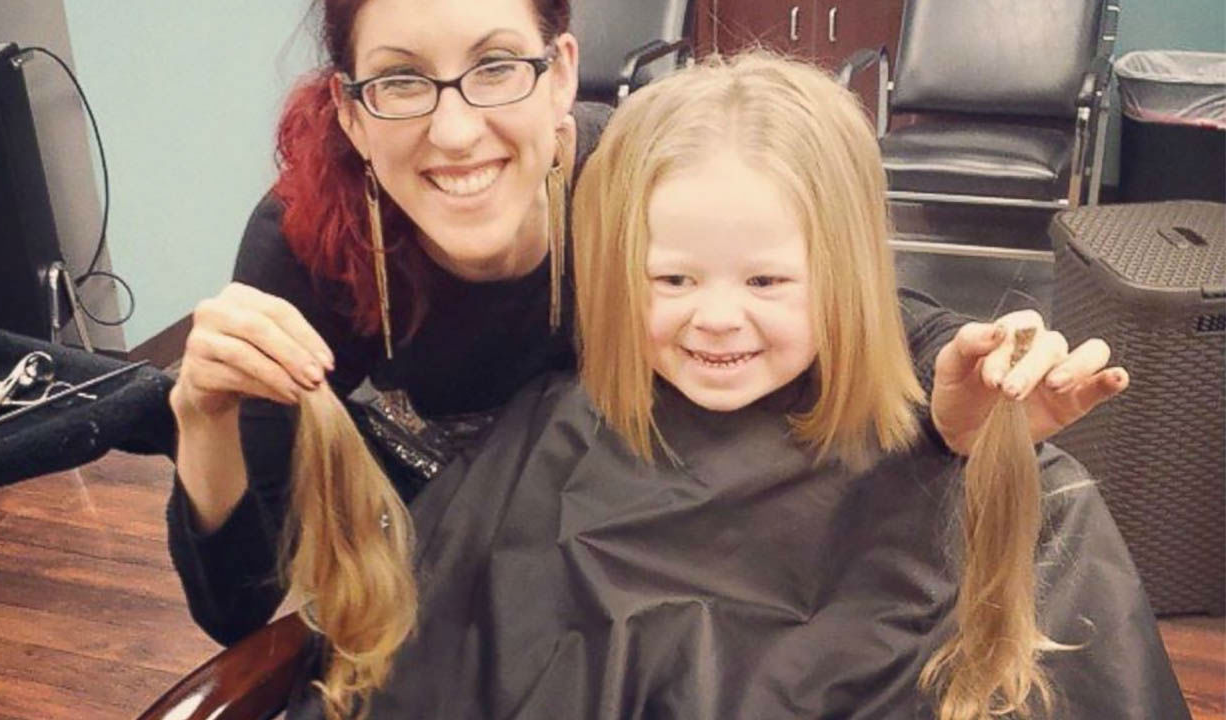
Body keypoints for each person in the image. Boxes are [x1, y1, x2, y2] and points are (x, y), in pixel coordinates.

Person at [166, 0, 1126, 655]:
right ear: (353, 111)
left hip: (652, 562)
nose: (455, 131)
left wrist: (954, 375)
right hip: (464, 594)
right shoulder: (306, 253)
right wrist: (202, 423)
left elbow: (844, 297)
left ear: (560, 75)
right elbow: (239, 611)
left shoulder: (630, 188)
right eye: (401, 81)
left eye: (496, 66)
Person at [326, 52, 1188, 719]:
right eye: (673, 282)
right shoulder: (541, 443)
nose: (717, 320)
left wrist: (973, 412)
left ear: (843, 274)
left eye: (767, 283)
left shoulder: (963, 453)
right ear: (619, 273)